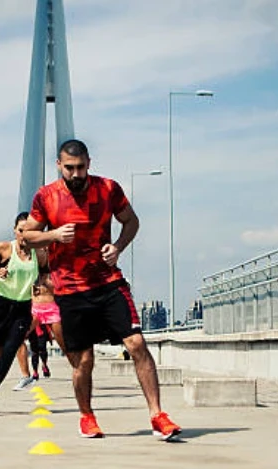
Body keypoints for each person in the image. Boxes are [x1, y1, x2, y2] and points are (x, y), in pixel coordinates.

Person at [23, 138, 181, 441]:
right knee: (84, 360)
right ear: (59, 166)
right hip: (70, 290)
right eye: (69, 168)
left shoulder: (108, 189)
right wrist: (54, 234)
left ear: (89, 164)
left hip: (108, 282)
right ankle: (87, 417)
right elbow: (27, 236)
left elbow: (131, 221)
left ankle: (158, 416)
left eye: (81, 167)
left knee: (136, 344)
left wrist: (118, 247)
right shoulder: (46, 197)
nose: (75, 174)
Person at [0, 212, 45, 414]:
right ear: (15, 230)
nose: (24, 235)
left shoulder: (38, 254)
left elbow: (47, 274)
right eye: (21, 230)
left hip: (22, 309)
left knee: (10, 352)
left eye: (29, 231)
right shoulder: (5, 248)